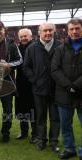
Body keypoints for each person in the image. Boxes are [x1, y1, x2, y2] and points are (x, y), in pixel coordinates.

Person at [23, 22, 60, 152]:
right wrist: (35, 80)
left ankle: (54, 141)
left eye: (50, 30)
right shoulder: (32, 48)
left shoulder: (60, 46)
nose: (48, 33)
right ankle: (42, 140)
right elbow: (26, 67)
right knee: (40, 117)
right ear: (40, 32)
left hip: (57, 89)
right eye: (45, 31)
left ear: (54, 31)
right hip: (39, 89)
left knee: (55, 117)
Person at [51, 18, 82, 160]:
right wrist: (68, 86)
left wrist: (76, 85)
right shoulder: (60, 48)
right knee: (65, 125)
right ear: (67, 31)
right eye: (72, 29)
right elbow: (55, 69)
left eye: (77, 28)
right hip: (64, 93)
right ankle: (70, 148)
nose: (75, 31)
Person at [15, 28, 37, 143]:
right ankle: (23, 132)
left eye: (25, 36)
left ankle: (35, 134)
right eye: (21, 36)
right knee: (22, 109)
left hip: (33, 83)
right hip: (20, 83)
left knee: (33, 109)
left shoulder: (36, 47)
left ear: (31, 36)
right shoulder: (17, 49)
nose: (23, 38)